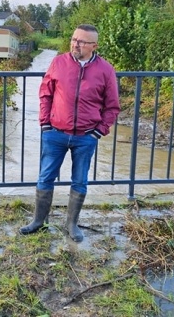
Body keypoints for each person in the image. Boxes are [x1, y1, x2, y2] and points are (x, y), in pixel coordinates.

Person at [20, 24, 120, 242]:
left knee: (80, 181)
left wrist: (98, 132)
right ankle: (39, 221)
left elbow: (112, 107)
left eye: (82, 41)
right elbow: (45, 93)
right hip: (54, 133)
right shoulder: (59, 62)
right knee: (45, 176)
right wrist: (45, 124)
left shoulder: (105, 70)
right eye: (74, 39)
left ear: (94, 45)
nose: (76, 44)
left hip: (86, 137)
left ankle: (71, 224)